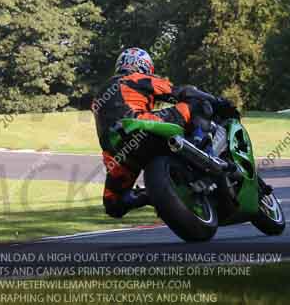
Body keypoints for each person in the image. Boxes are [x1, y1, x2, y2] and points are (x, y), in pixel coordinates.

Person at [91, 47, 240, 219]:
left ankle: (153, 194)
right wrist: (219, 102)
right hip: (142, 126)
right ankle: (204, 149)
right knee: (197, 102)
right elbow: (182, 92)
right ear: (144, 66)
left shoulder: (99, 94)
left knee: (113, 204)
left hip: (117, 151)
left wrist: (158, 194)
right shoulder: (136, 78)